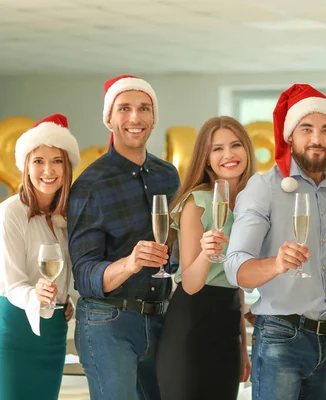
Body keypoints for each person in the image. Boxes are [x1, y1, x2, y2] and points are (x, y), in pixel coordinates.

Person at [225, 84, 326, 400]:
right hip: (280, 338)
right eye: (307, 129)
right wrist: (276, 264)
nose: (317, 138)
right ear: (290, 136)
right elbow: (236, 268)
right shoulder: (263, 189)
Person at [67, 75, 180, 400]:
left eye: (144, 108)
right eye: (125, 108)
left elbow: (175, 246)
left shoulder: (167, 175)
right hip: (108, 322)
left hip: (161, 318)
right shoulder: (91, 185)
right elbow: (85, 275)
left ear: (154, 118)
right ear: (110, 118)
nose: (135, 117)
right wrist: (130, 263)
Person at [155, 116, 255, 399]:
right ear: (206, 159)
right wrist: (208, 253)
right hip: (191, 328)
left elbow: (234, 281)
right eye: (217, 149)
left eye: (235, 145)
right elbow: (190, 283)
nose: (229, 154)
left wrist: (243, 347)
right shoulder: (196, 202)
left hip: (227, 327)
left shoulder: (249, 204)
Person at [0, 114, 80, 399]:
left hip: (54, 331)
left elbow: (63, 274)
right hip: (16, 331)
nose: (49, 170)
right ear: (26, 166)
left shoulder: (67, 217)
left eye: (57, 160)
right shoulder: (10, 212)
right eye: (38, 161)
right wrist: (37, 295)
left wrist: (63, 298)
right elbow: (12, 284)